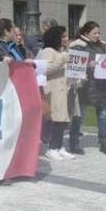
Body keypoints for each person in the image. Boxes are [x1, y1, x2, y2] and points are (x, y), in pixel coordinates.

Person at [69, 21, 106, 155]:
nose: (98, 35)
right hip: (85, 85)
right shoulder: (78, 45)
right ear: (86, 33)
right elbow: (74, 67)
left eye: (99, 33)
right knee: (79, 115)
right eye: (95, 33)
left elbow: (105, 61)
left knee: (103, 115)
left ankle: (104, 142)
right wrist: (89, 65)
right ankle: (74, 142)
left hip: (101, 84)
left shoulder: (100, 45)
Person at [40, 26, 75, 161]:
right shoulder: (48, 51)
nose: (66, 39)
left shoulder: (62, 52)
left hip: (64, 89)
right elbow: (45, 69)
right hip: (53, 90)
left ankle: (59, 146)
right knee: (56, 119)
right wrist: (62, 60)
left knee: (63, 120)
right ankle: (52, 148)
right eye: (63, 37)